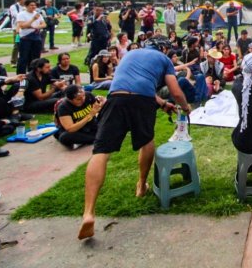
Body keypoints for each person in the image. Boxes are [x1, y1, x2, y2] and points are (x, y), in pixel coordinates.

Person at [79, 36, 191, 240]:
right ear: (164, 49)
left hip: (116, 98)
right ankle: (141, 185)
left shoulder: (129, 54)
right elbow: (175, 91)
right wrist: (185, 107)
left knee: (101, 151)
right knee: (146, 142)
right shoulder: (164, 59)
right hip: (142, 101)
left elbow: (133, 83)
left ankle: (88, 212)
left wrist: (160, 103)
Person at [54, 85, 104, 149]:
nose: (83, 100)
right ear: (70, 99)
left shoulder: (88, 96)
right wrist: (89, 115)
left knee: (108, 122)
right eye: (79, 99)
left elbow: (98, 109)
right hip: (77, 130)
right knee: (64, 137)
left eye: (83, 96)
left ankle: (87, 140)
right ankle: (98, 137)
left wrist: (102, 104)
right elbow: (70, 128)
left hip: (91, 126)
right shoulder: (63, 107)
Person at [16, 0, 46, 74]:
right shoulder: (21, 14)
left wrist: (34, 27)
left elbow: (44, 24)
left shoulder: (37, 14)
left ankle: (33, 73)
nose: (33, 7)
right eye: (31, 5)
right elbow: (22, 26)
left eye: (35, 5)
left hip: (36, 37)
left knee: (35, 58)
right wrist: (33, 19)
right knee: (24, 57)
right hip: (25, 38)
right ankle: (21, 75)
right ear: (26, 6)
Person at [9, 0, 28, 65]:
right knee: (16, 45)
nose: (25, 0)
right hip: (16, 29)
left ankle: (24, 60)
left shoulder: (27, 7)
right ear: (19, 0)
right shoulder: (14, 7)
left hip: (26, 29)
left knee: (26, 45)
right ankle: (13, 61)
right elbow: (16, 16)